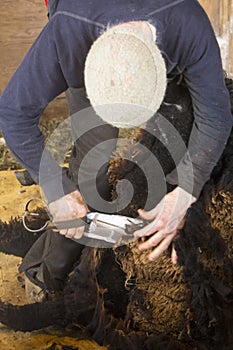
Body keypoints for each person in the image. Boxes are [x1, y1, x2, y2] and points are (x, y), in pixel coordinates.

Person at [0, 0, 232, 296]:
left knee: (178, 142)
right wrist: (55, 187)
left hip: (169, 43)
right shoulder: (67, 32)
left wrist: (187, 190)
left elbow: (215, 117)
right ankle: (45, 273)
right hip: (85, 30)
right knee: (91, 167)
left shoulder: (189, 25)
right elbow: (12, 113)